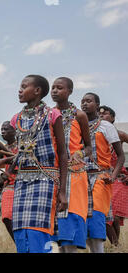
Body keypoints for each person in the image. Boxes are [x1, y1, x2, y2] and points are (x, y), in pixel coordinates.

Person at [9, 75, 68, 253]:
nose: (19, 90)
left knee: (39, 228)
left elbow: (63, 153)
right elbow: (20, 152)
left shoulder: (53, 115)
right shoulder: (16, 119)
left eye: (24, 86)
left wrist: (63, 191)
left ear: (37, 91)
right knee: (20, 228)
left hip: (46, 179)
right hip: (22, 181)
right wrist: (8, 171)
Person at [50, 77, 92, 253]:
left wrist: (80, 153)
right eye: (53, 87)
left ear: (70, 91)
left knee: (71, 216)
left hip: (74, 174)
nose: (54, 91)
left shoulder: (79, 115)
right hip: (54, 173)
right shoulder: (48, 114)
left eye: (59, 88)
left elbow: (89, 147)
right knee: (57, 222)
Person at [81, 93, 125, 253]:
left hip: (101, 175)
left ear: (97, 104)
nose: (85, 104)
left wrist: (113, 176)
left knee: (98, 215)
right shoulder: (77, 126)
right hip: (80, 177)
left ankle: (101, 250)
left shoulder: (105, 126)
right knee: (83, 215)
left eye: (89, 101)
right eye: (83, 101)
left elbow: (121, 155)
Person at [98, 105, 128, 246]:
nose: (101, 116)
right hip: (100, 178)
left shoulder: (120, 134)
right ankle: (116, 246)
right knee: (103, 216)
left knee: (114, 217)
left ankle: (116, 246)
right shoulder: (93, 134)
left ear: (113, 118)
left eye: (105, 114)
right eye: (99, 114)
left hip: (119, 179)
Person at [0, 121, 17, 243]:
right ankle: (19, 244)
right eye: (2, 129)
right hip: (9, 185)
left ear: (14, 131)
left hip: (22, 183)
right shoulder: (3, 149)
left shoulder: (21, 145)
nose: (3, 131)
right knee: (7, 217)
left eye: (6, 129)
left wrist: (4, 176)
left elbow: (18, 160)